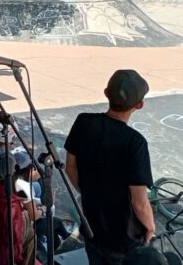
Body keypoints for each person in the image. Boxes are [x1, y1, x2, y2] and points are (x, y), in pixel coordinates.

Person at [65, 69, 155, 265]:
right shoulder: (135, 143)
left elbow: (70, 167)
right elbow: (139, 202)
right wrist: (150, 228)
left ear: (106, 93)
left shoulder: (83, 122)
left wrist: (89, 192)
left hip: (92, 227)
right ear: (139, 105)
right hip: (125, 239)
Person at [11, 148, 74, 256]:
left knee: (53, 230)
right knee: (57, 222)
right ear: (28, 170)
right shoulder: (23, 186)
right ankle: (67, 240)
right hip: (26, 226)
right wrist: (44, 208)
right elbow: (34, 216)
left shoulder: (12, 179)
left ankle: (57, 249)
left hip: (19, 218)